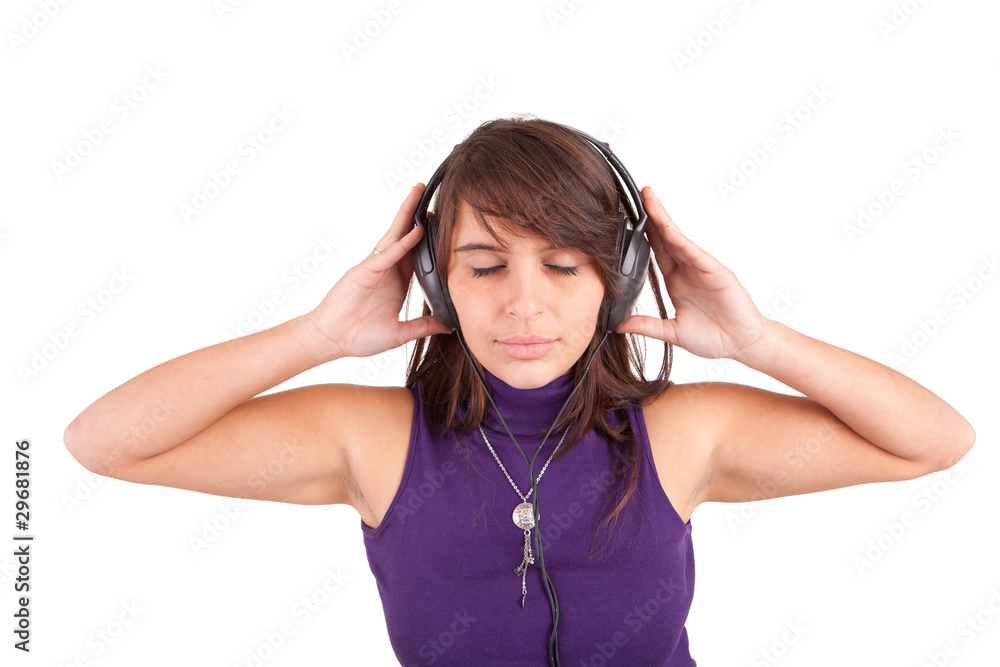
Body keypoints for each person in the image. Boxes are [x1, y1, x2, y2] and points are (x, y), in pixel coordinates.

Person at [63, 116, 975, 665]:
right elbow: (104, 441)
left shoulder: (683, 433)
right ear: (435, 282)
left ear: (617, 280)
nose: (525, 303)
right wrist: (315, 337)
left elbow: (935, 440)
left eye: (565, 265)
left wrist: (758, 341)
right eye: (486, 264)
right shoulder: (373, 440)